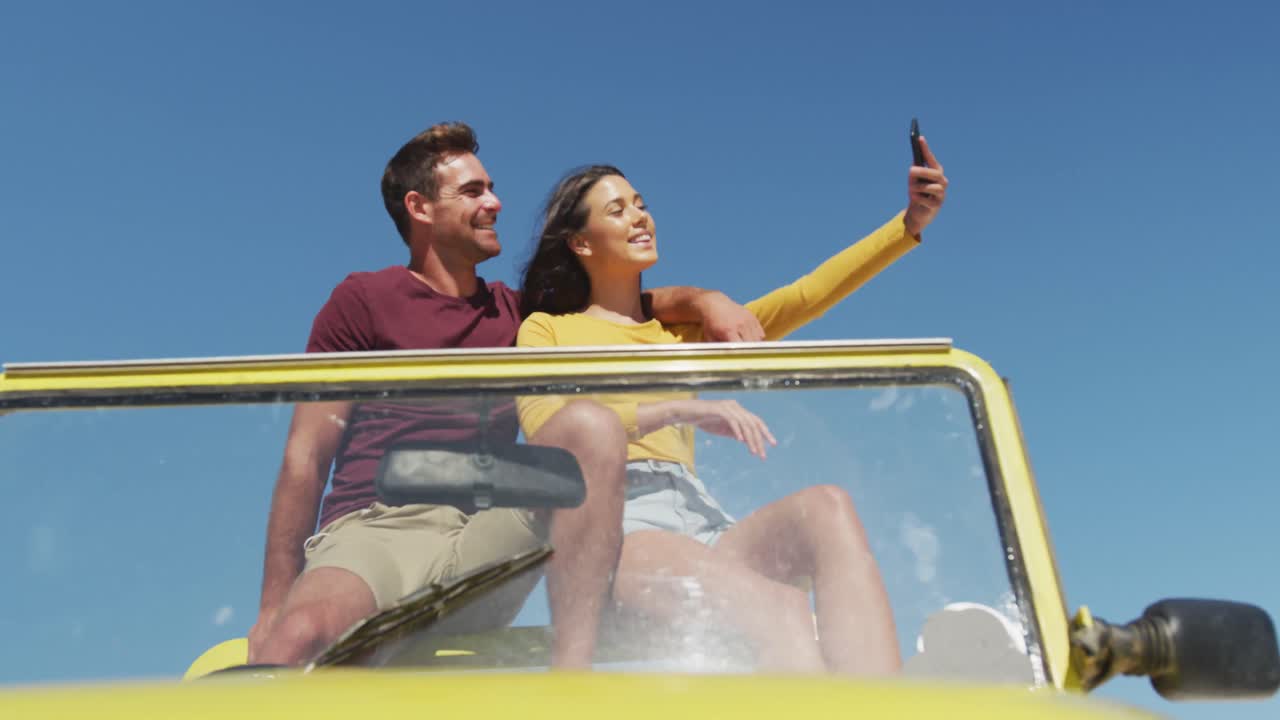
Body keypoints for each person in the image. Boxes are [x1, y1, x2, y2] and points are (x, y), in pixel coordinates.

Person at [247, 121, 763, 669]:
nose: (495, 202)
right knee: (299, 637)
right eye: (473, 191)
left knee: (588, 428)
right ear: (420, 207)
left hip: (486, 538)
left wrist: (710, 301)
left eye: (491, 187)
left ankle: (573, 683)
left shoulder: (521, 315)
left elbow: (629, 304)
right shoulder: (363, 300)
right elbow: (306, 455)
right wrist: (272, 606)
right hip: (378, 528)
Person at [515, 138, 949, 674]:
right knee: (780, 608)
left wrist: (907, 225)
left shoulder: (683, 332)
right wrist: (678, 411)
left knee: (828, 507)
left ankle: (880, 706)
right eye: (618, 209)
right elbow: (545, 433)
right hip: (622, 526)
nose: (640, 217)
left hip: (703, 520)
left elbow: (806, 295)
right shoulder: (547, 330)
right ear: (581, 244)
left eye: (641, 203)